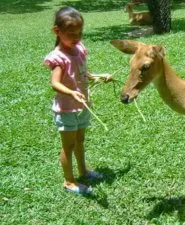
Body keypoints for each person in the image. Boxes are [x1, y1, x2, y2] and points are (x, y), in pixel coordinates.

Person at [43, 6, 112, 194]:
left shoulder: (79, 49)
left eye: (80, 33)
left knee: (80, 141)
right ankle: (69, 181)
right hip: (66, 110)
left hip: (82, 107)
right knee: (69, 145)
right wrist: (72, 93)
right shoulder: (59, 57)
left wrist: (98, 76)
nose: (77, 37)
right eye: (71, 33)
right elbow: (55, 84)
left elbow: (82, 72)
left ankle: (83, 171)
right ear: (57, 32)